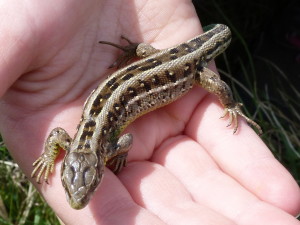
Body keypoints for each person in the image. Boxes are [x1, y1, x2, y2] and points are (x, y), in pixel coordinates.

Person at [0, 1, 299, 224]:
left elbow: (115, 141)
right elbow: (76, 138)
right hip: (148, 68)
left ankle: (234, 102)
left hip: (183, 68)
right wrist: (52, 155)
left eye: (87, 186)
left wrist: (229, 104)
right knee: (145, 54)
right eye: (80, 186)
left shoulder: (96, 146)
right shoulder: (85, 144)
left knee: (212, 83)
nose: (81, 198)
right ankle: (136, 50)